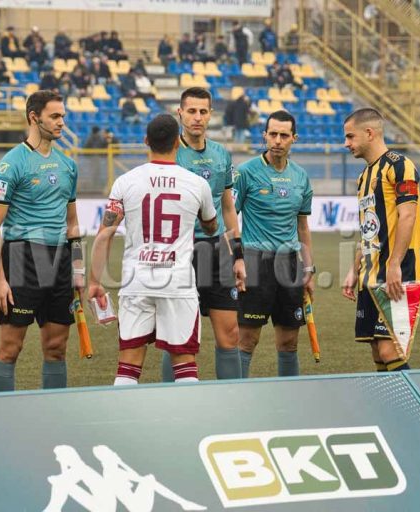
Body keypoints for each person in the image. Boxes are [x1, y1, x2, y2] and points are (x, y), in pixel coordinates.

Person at [88, 114, 217, 385]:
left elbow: (105, 234)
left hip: (137, 281)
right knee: (184, 365)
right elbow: (210, 226)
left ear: (146, 141)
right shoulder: (197, 184)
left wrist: (94, 282)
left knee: (128, 367)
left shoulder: (125, 182)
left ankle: (124, 424)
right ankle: (184, 424)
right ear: (178, 144)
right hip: (178, 283)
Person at [0, 91, 84, 392]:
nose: (61, 123)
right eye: (55, 116)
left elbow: (73, 224)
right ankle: (3, 414)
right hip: (22, 259)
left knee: (57, 347)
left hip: (60, 262)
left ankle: (52, 413)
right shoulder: (10, 164)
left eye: (63, 116)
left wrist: (78, 269)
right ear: (34, 117)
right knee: (10, 348)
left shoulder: (67, 166)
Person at [159, 87, 245, 382]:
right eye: (191, 111)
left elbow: (228, 207)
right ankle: (172, 403)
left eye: (203, 111)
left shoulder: (221, 154)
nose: (197, 117)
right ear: (180, 113)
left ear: (211, 115)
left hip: (218, 250)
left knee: (230, 333)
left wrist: (239, 255)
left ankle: (231, 402)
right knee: (177, 336)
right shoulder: (169, 153)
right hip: (180, 252)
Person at [341, 108, 420, 372]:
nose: (346, 144)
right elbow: (368, 229)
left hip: (400, 271)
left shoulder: (400, 166)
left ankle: (413, 411)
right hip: (371, 273)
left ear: (369, 133)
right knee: (378, 350)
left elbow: (408, 216)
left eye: (350, 137)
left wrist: (394, 265)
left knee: (391, 349)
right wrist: (354, 269)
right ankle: (392, 412)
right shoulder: (364, 177)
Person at [234, 110, 315, 378]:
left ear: (294, 138)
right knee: (247, 339)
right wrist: (237, 259)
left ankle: (288, 398)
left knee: (289, 342)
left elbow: (303, 227)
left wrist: (309, 270)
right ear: (264, 135)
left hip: (290, 265)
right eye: (273, 134)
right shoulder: (245, 173)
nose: (277, 140)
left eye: (283, 135)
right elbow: (228, 218)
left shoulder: (301, 177)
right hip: (256, 262)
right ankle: (236, 398)